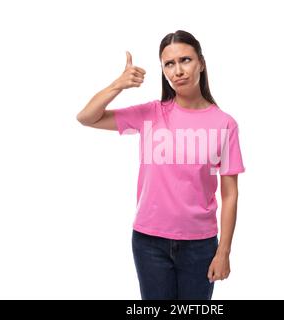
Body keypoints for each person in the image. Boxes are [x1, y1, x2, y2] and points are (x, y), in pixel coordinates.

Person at [76, 30, 245, 300]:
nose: (178, 70)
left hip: (200, 244)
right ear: (163, 71)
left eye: (185, 60)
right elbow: (87, 117)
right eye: (169, 64)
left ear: (201, 62)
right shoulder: (151, 114)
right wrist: (117, 85)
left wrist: (223, 252)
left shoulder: (224, 124)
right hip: (149, 242)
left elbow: (230, 193)